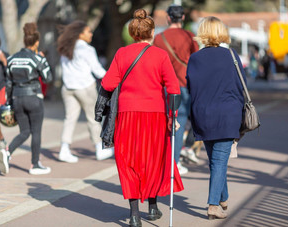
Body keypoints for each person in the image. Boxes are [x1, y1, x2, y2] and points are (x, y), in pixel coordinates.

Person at [100, 9, 184, 227]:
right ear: (152, 32)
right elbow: (174, 89)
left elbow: (108, 84)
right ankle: (153, 207)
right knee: (153, 160)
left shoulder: (122, 54)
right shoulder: (160, 55)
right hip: (155, 115)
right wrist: (172, 115)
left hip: (127, 115)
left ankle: (135, 214)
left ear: (132, 33)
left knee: (128, 162)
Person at [186, 16, 245, 219]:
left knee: (215, 161)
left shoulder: (195, 58)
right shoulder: (231, 55)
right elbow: (242, 85)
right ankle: (213, 205)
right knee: (219, 161)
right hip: (227, 114)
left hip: (203, 114)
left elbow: (190, 88)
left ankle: (223, 198)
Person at [0, 23, 53, 175]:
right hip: (34, 97)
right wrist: (43, 60)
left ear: (24, 40)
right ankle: (35, 164)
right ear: (36, 42)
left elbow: (8, 82)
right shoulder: (37, 58)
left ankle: (7, 152)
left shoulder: (12, 59)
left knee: (24, 132)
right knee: (36, 132)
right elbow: (48, 78)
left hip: (17, 98)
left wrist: (8, 102)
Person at [57, 20, 113, 163]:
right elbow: (97, 70)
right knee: (93, 118)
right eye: (88, 31)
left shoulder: (65, 48)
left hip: (68, 87)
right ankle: (99, 148)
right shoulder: (87, 50)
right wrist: (113, 80)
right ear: (80, 34)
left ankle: (64, 148)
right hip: (85, 87)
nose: (91, 34)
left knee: (69, 119)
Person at [153, 4, 199, 174]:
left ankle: (162, 160)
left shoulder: (159, 38)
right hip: (184, 85)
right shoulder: (190, 36)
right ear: (183, 18)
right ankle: (174, 163)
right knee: (178, 123)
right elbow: (196, 61)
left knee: (163, 124)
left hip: (163, 85)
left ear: (168, 18)